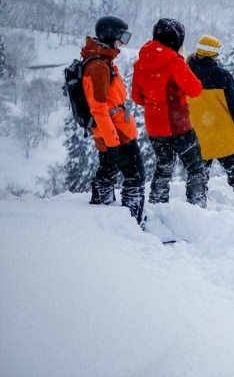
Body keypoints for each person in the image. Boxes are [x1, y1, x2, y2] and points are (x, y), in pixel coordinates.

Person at [131, 18, 208, 207]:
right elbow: (195, 89)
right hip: (178, 125)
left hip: (155, 127)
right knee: (195, 166)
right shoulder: (174, 61)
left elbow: (137, 98)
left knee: (163, 167)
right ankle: (196, 206)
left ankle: (158, 205)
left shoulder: (141, 62)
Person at [81, 15, 146, 226]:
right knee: (135, 174)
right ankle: (132, 221)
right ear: (110, 36)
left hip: (110, 131)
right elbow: (99, 109)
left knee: (108, 169)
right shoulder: (98, 66)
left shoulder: (102, 61)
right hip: (116, 132)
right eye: (121, 37)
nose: (122, 43)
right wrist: (113, 143)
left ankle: (102, 209)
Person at [186, 35, 234, 205]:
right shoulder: (223, 76)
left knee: (198, 175)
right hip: (224, 135)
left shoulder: (185, 74)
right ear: (214, 54)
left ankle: (195, 204)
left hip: (197, 136)